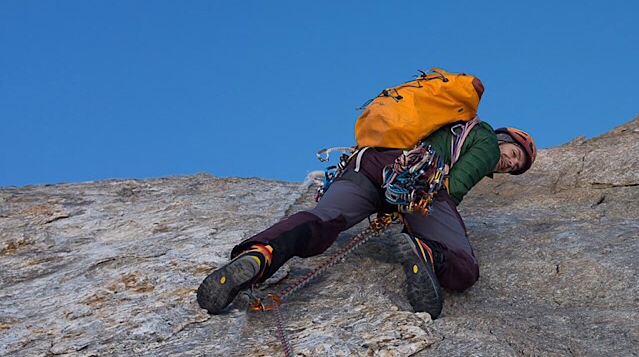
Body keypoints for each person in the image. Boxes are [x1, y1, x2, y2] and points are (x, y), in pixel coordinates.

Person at [196, 123, 536, 319]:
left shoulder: (445, 126)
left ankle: (259, 255)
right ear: (504, 140)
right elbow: (452, 188)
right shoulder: (486, 140)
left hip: (367, 164)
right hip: (415, 179)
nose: (509, 163)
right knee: (465, 265)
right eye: (513, 154)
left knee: (323, 219)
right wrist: (414, 214)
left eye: (515, 167)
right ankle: (429, 254)